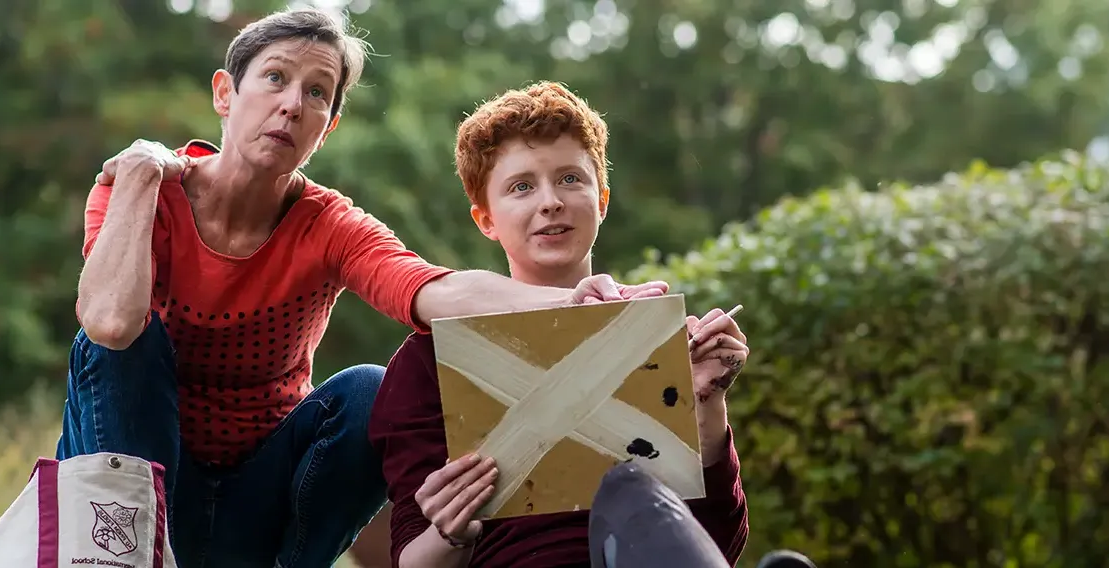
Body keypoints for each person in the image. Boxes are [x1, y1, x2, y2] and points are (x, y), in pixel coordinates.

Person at [55, 8, 665, 568]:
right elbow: (108, 322)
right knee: (126, 345)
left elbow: (430, 289)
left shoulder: (328, 224)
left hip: (255, 498)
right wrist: (138, 176)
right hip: (137, 489)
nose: (292, 105)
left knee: (368, 388)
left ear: (330, 124)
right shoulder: (136, 193)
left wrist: (569, 302)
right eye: (274, 78)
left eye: (316, 93)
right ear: (224, 92)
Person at [368, 81, 750, 568]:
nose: (550, 201)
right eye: (521, 186)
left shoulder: (654, 334)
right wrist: (451, 528)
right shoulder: (429, 360)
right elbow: (412, 561)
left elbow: (718, 546)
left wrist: (707, 408)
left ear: (602, 200)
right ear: (485, 219)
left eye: (570, 179)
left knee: (628, 490)